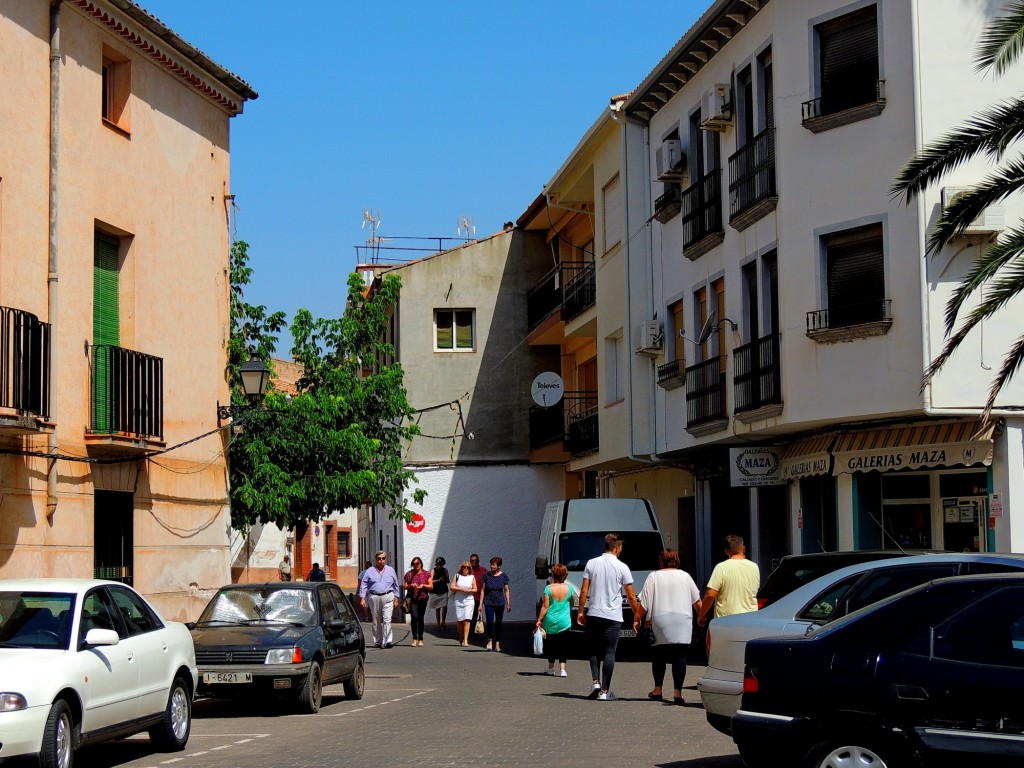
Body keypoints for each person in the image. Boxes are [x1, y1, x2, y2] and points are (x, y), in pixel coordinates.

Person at [634, 548, 701, 705]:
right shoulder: (685, 576)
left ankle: (658, 689)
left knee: (658, 655)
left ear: (660, 561)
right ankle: (678, 692)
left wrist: (637, 618)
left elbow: (644, 603)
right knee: (680, 656)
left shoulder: (654, 576)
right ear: (676, 560)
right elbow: (697, 602)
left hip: (660, 619)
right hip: (682, 619)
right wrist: (702, 617)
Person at [577, 533, 639, 701]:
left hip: (595, 612)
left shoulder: (591, 563)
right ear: (617, 547)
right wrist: (637, 616)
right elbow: (631, 596)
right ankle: (605, 691)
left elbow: (584, 591)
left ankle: (595, 682)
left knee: (593, 649)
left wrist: (581, 611)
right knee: (610, 651)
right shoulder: (622, 567)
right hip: (613, 615)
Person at [697, 534, 760, 627]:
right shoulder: (754, 567)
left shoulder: (721, 567)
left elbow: (710, 595)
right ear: (743, 549)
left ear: (726, 551)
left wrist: (701, 615)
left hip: (725, 623)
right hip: (750, 621)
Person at [535, 562, 577, 677]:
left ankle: (551, 667)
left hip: (550, 620)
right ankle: (563, 669)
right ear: (565, 575)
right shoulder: (570, 588)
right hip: (564, 621)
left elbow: (545, 606)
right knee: (563, 645)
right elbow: (572, 603)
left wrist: (539, 620)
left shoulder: (548, 588)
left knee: (551, 645)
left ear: (553, 575)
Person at [358, 551, 401, 648]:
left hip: (388, 596)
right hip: (374, 597)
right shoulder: (370, 571)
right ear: (376, 560)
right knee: (376, 619)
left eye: (383, 558)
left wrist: (396, 598)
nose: (381, 561)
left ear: (386, 559)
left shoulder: (391, 570)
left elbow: (395, 584)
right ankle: (378, 640)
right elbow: (364, 584)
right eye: (379, 559)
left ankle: (387, 641)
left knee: (387, 619)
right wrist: (362, 598)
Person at [481, 556, 510, 652]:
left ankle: (497, 644)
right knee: (489, 622)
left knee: (498, 623)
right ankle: (489, 641)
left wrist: (508, 603)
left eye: (494, 564)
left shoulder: (503, 576)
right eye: (491, 564)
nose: (492, 566)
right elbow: (482, 590)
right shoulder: (486, 575)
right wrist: (480, 604)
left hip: (500, 602)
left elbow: (506, 590)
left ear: (499, 566)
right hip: (489, 601)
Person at [403, 556, 433, 647]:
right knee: (414, 617)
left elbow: (431, 586)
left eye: (417, 563)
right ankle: (414, 638)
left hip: (423, 598)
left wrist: (423, 585)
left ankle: (421, 638)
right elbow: (405, 586)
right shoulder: (409, 574)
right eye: (414, 564)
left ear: (421, 564)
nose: (416, 565)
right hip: (412, 598)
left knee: (420, 618)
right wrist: (411, 585)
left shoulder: (426, 574)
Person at [451, 561, 477, 646]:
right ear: (461, 568)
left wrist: (469, 590)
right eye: (464, 567)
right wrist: (461, 589)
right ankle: (461, 637)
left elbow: (475, 589)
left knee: (467, 620)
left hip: (469, 600)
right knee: (459, 620)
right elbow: (452, 587)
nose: (466, 569)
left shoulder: (472, 577)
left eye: (468, 567)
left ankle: (466, 640)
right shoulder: (457, 576)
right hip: (459, 600)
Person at [428, 556, 450, 630]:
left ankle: (443, 622)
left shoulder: (445, 570)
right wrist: (438, 580)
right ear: (436, 564)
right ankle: (438, 624)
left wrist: (445, 579)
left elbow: (448, 580)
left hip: (444, 590)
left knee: (444, 606)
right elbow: (430, 581)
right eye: (438, 564)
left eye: (441, 564)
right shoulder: (433, 571)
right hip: (436, 591)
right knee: (437, 608)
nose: (439, 566)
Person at [469, 553, 487, 635]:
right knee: (472, 616)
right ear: (470, 561)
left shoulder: (483, 570)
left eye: (476, 560)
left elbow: (487, 582)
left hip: (482, 596)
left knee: (481, 615)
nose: (474, 562)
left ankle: (481, 632)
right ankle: (471, 634)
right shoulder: (467, 570)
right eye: (472, 560)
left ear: (478, 561)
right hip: (471, 597)